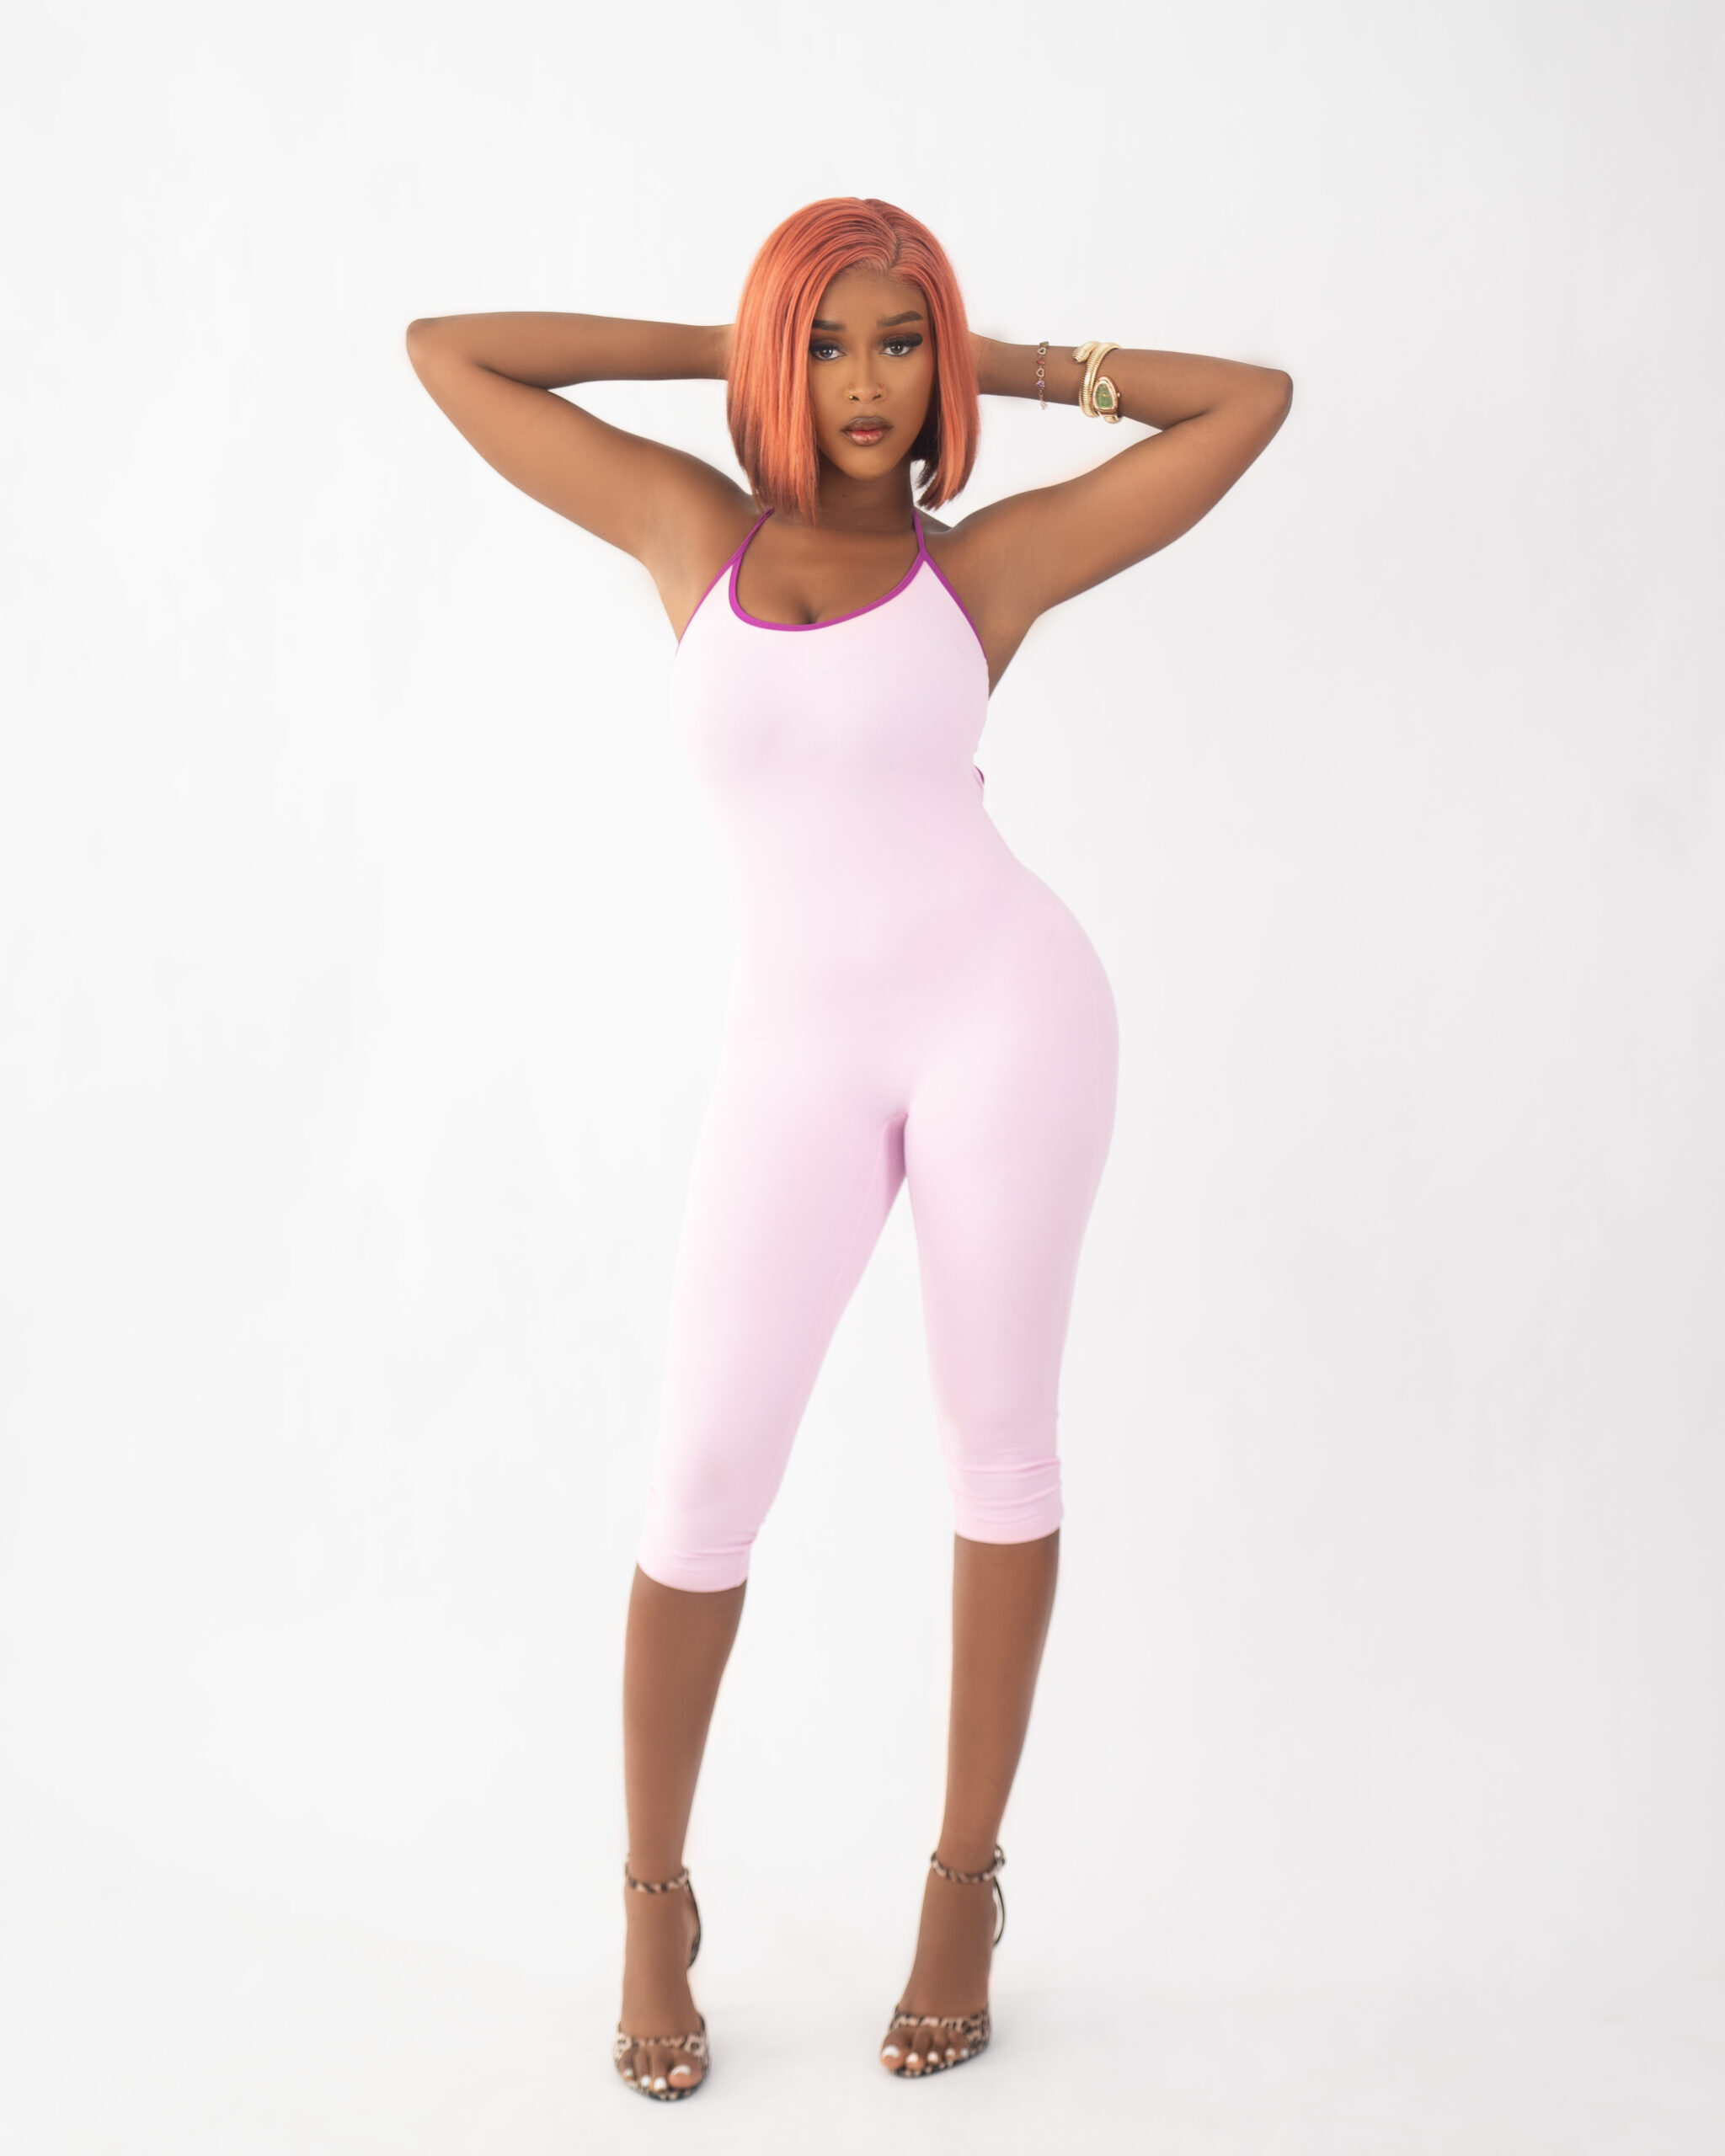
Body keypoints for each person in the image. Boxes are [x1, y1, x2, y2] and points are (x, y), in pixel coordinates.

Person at [406, 195, 1290, 2103]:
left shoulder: (985, 572)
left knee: (998, 1447)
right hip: (794, 1058)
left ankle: (963, 1891)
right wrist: (726, 350)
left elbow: (1250, 402)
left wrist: (1015, 368)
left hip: (1007, 1022)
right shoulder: (690, 532)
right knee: (698, 1485)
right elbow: (447, 354)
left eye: (900, 343)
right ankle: (654, 1901)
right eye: (825, 344)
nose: (866, 383)